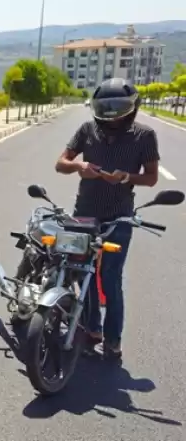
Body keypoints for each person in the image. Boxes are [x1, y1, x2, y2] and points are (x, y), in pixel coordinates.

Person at [54, 78, 159, 361]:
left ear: (132, 108)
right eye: (106, 108)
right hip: (85, 214)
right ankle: (92, 330)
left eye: (118, 108)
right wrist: (79, 166)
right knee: (81, 271)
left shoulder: (144, 135)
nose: (112, 115)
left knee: (110, 279)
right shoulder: (87, 130)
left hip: (119, 217)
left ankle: (113, 340)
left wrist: (126, 177)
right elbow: (60, 163)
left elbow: (151, 177)